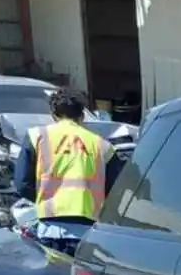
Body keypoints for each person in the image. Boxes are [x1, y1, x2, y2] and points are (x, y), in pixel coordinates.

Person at [16, 89, 114, 249]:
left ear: (54, 115)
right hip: (87, 231)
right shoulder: (102, 145)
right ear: (82, 116)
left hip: (50, 228)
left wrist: (46, 200)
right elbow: (115, 191)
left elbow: (22, 184)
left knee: (54, 273)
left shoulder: (36, 136)